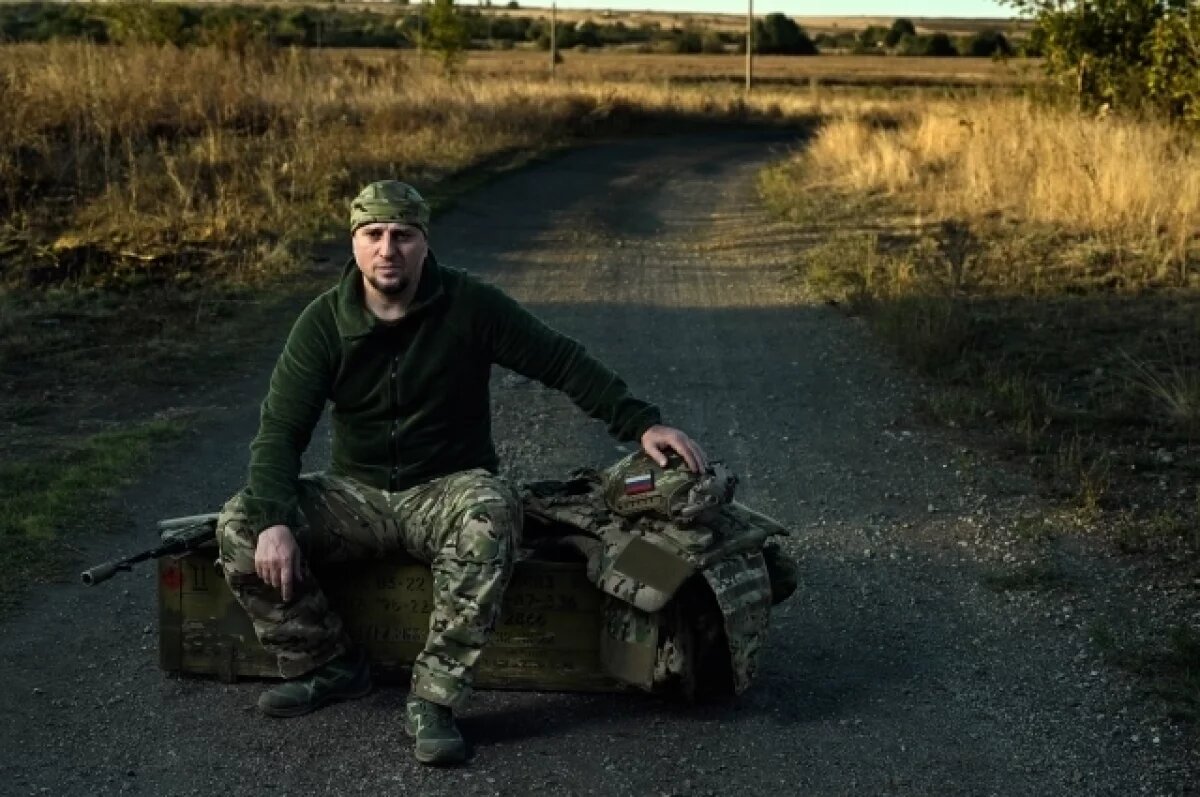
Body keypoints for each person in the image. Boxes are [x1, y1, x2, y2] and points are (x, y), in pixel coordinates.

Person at [215, 180, 706, 766]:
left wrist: (640, 423)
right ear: (354, 244)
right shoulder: (322, 323)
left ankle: (435, 700)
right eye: (373, 235)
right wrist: (274, 520)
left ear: (425, 243)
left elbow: (560, 360)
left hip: (446, 489)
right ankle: (330, 665)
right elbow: (279, 432)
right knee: (242, 522)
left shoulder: (469, 305)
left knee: (491, 513)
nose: (387, 249)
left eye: (403, 235)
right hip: (358, 495)